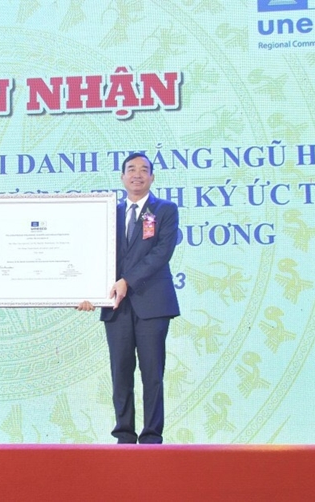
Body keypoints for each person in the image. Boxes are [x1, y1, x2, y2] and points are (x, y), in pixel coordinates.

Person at [79, 153, 180, 444]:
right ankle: (124, 435)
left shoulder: (165, 210)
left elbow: (161, 253)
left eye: (144, 170)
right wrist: (86, 291)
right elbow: (95, 255)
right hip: (116, 305)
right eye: (131, 169)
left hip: (153, 303)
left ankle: (151, 437)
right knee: (120, 371)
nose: (137, 174)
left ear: (152, 177)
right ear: (122, 177)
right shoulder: (109, 213)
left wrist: (127, 281)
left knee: (152, 372)